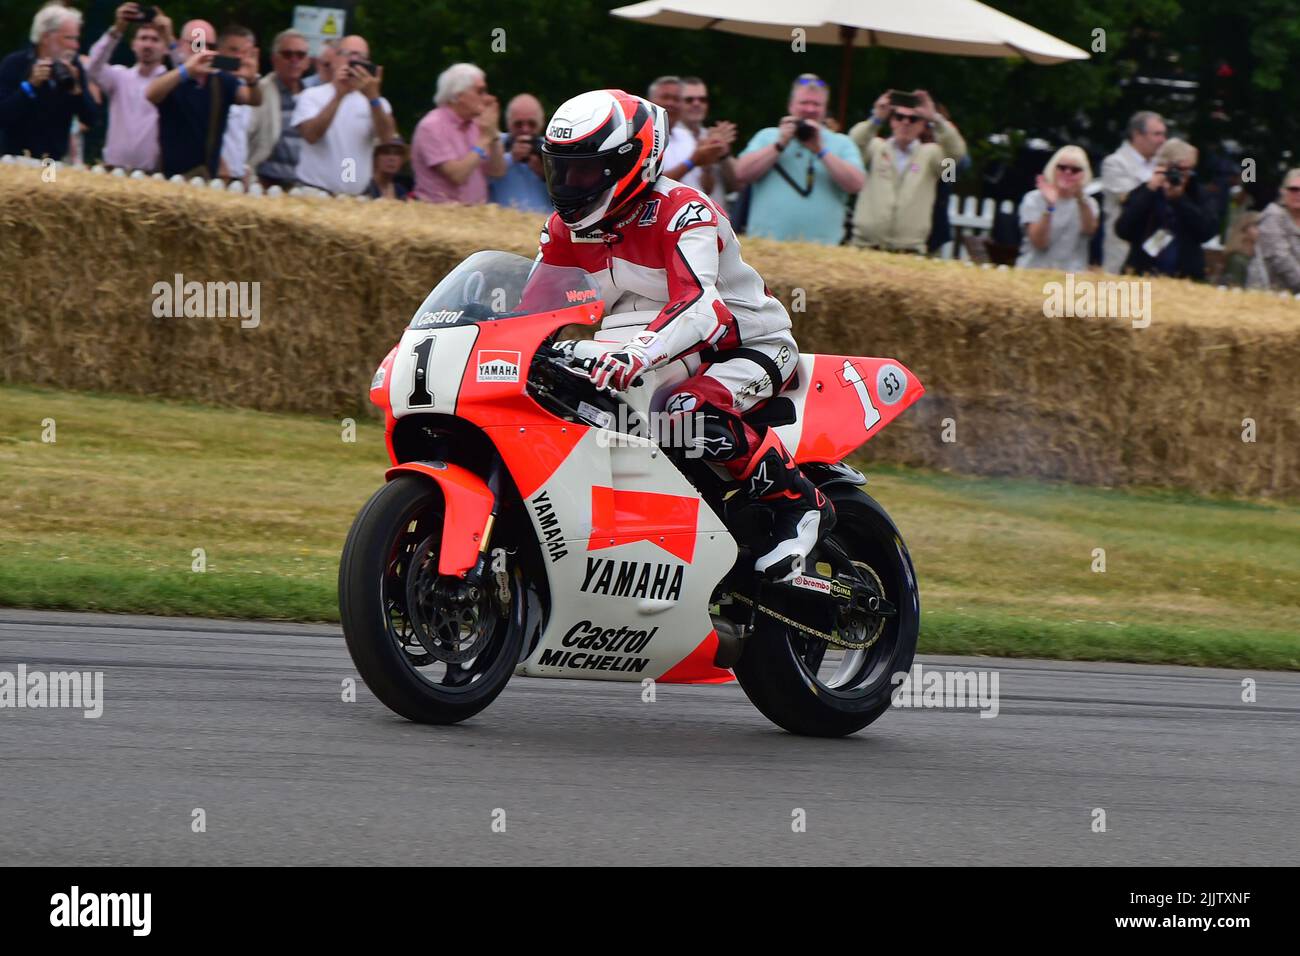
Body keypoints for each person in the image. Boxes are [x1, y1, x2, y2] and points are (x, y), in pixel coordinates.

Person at [537, 89, 834, 580]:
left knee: (687, 414)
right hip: (653, 351)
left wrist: (637, 352)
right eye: (560, 170)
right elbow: (534, 308)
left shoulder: (684, 211)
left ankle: (799, 505)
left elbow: (701, 307)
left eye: (585, 171)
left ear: (628, 162)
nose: (570, 185)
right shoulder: (563, 230)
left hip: (746, 346)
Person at [733, 73, 865, 245]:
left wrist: (820, 150)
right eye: (804, 103)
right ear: (791, 106)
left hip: (823, 251)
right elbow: (741, 173)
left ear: (824, 110)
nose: (810, 109)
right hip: (766, 246)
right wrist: (779, 145)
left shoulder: (841, 143)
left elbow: (856, 184)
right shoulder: (767, 136)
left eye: (816, 104)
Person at [849, 89, 967, 253]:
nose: (905, 122)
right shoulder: (875, 147)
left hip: (911, 248)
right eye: (899, 117)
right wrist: (875, 119)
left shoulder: (932, 154)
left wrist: (936, 119)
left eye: (913, 119)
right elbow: (851, 145)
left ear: (922, 125)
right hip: (866, 245)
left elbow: (957, 156)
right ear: (891, 121)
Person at [145, 20, 261, 178]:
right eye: (196, 45)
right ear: (180, 44)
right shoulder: (173, 78)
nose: (202, 51)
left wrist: (252, 80)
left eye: (209, 47)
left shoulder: (222, 80)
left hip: (207, 176)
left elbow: (254, 100)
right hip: (171, 176)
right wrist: (187, 70)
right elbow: (151, 94)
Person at [290, 34, 395, 195]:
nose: (355, 61)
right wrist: (339, 96)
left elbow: (387, 139)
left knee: (348, 170)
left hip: (352, 198)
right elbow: (311, 135)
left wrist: (373, 98)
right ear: (334, 59)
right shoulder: (312, 95)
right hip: (314, 193)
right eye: (349, 54)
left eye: (361, 57)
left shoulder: (375, 103)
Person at [0, 3, 97, 161]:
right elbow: (3, 116)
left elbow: (91, 119)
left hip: (51, 162)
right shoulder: (15, 64)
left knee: (49, 185)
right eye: (69, 38)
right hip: (14, 159)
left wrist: (77, 90)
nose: (76, 45)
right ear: (46, 37)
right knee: (17, 187)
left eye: (76, 38)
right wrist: (29, 87)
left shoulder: (74, 67)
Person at [84, 3, 172, 172]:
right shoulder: (119, 76)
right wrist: (116, 30)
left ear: (165, 48)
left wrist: (169, 35)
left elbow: (190, 76)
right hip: (113, 169)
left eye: (155, 40)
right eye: (143, 38)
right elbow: (92, 67)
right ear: (133, 44)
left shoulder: (170, 81)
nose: (148, 45)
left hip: (153, 173)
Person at [1114, 138, 1218, 280]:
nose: (1183, 176)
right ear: (1163, 166)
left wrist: (1180, 200)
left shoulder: (1198, 194)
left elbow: (1207, 231)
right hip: (1143, 271)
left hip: (1185, 276)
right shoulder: (1146, 191)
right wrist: (1150, 191)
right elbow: (1123, 230)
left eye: (1189, 170)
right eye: (1179, 169)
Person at [410, 62, 504, 203]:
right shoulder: (431, 126)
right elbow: (457, 175)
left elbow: (497, 171)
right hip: (440, 218)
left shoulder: (478, 125)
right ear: (458, 95)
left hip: (477, 217)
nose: (486, 98)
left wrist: (494, 135)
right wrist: (484, 139)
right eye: (480, 91)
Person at [1100, 111, 1167, 273]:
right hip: (1123, 248)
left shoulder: (1161, 164)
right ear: (1137, 135)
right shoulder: (1115, 163)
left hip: (1155, 248)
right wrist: (1153, 185)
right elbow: (1130, 199)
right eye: (1157, 134)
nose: (1162, 140)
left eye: (1164, 134)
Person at [1015, 145, 1100, 271]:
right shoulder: (1034, 199)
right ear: (1053, 169)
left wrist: (1080, 198)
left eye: (1075, 170)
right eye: (1062, 167)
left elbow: (1089, 230)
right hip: (1034, 272)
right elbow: (1039, 243)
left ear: (1084, 174)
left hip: (1072, 276)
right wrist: (1050, 206)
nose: (1067, 172)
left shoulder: (1089, 204)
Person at [247, 29, 309, 189]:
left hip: (302, 186)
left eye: (300, 55)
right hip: (265, 181)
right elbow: (246, 133)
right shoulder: (260, 90)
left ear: (307, 61)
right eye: (288, 54)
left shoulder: (313, 96)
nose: (294, 60)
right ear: (274, 59)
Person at [678, 76, 738, 208]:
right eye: (689, 100)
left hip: (718, 220)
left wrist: (724, 154)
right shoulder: (667, 136)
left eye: (702, 99)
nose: (696, 103)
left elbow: (736, 185)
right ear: (678, 103)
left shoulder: (713, 136)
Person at [488, 93, 549, 212]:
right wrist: (511, 158)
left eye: (531, 124)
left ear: (541, 123)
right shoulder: (495, 144)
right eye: (518, 124)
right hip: (503, 223)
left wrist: (546, 173)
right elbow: (484, 175)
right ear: (508, 124)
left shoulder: (552, 148)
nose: (525, 129)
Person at [214, 25, 258, 182]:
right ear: (219, 52)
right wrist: (220, 163)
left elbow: (241, 136)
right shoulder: (210, 83)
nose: (239, 57)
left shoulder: (248, 86)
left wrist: (243, 167)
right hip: (215, 173)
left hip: (238, 175)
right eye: (233, 50)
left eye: (245, 52)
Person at [1254, 169, 1300, 292]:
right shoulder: (1273, 215)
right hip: (1266, 295)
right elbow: (1281, 259)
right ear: (1283, 191)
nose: (1298, 194)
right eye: (1293, 189)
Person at [1217, 211, 1266, 289]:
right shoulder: (1236, 259)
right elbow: (1234, 289)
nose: (1261, 230)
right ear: (1244, 230)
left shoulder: (1258, 257)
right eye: (1256, 226)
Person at [365, 135, 410, 200]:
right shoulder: (364, 188)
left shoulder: (401, 191)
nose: (392, 158)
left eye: (397, 153)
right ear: (374, 157)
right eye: (385, 152)